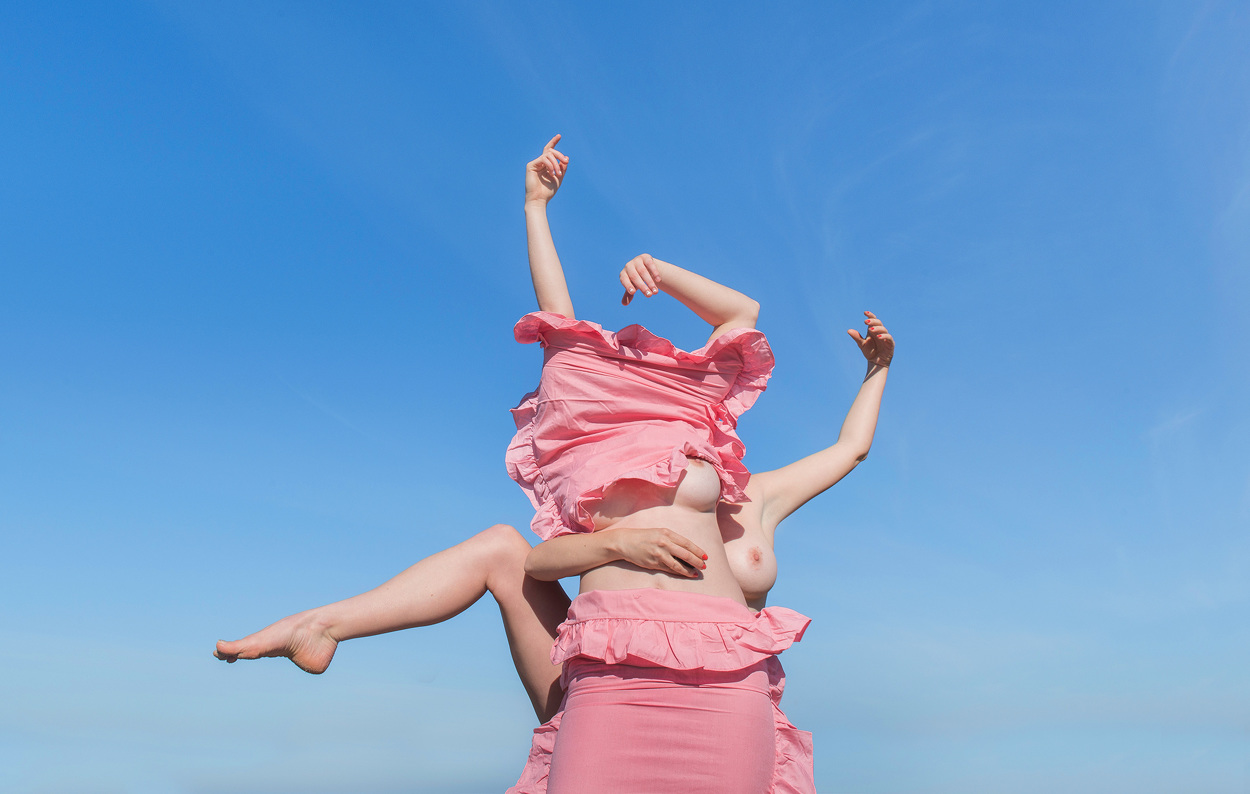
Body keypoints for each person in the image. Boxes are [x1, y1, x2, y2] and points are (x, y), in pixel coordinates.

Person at [214, 136, 893, 792]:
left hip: (726, 685)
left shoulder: (727, 469)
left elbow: (779, 360)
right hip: (611, 675)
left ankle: (321, 624)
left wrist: (877, 371)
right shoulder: (590, 448)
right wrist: (536, 207)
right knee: (500, 548)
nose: (636, 375)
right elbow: (558, 325)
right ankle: (320, 624)